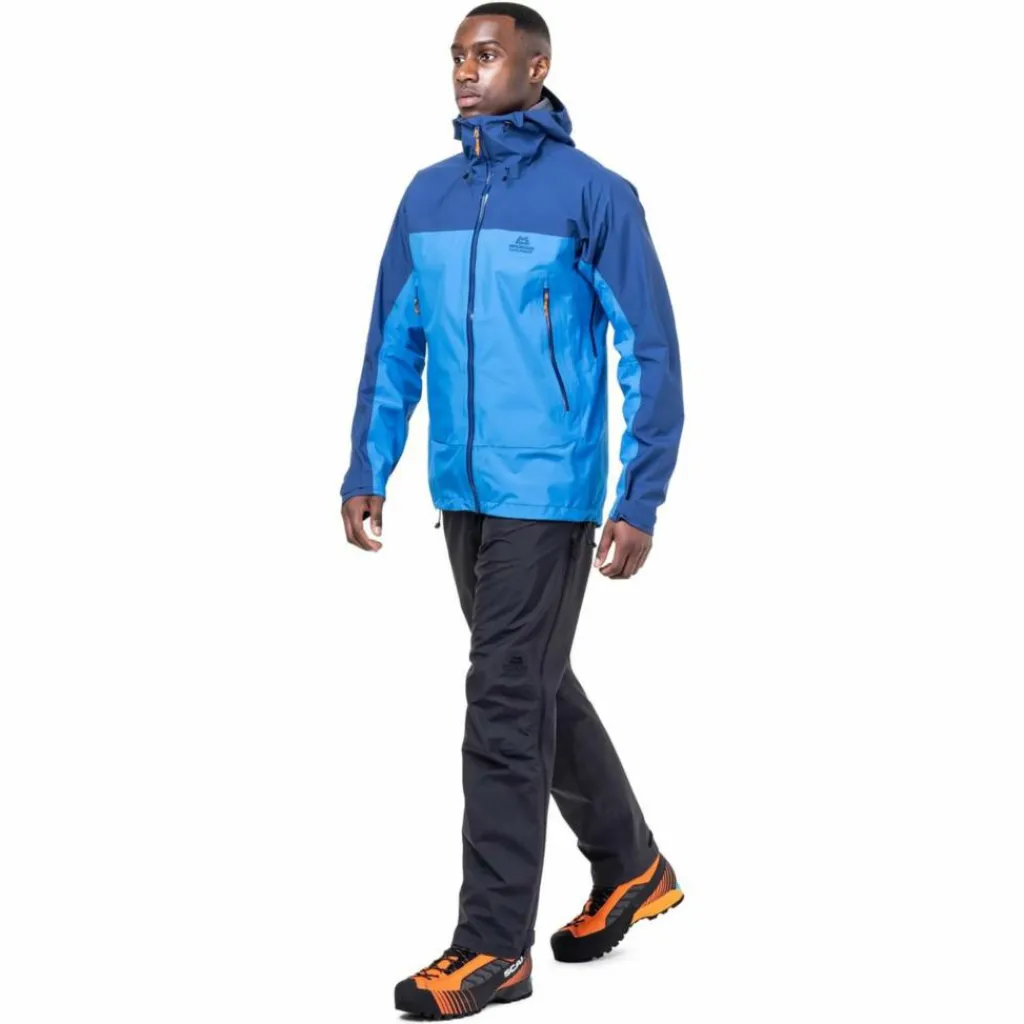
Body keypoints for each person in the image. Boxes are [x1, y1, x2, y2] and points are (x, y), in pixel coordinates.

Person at [339, 3, 685, 1017]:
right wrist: (368, 463)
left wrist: (639, 494)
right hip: (461, 487)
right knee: (529, 682)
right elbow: (393, 339)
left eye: (486, 55)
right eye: (456, 55)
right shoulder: (427, 194)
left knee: (500, 699)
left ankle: (492, 946)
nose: (465, 70)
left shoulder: (594, 194)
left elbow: (650, 350)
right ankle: (630, 863)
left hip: (549, 491)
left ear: (537, 68)